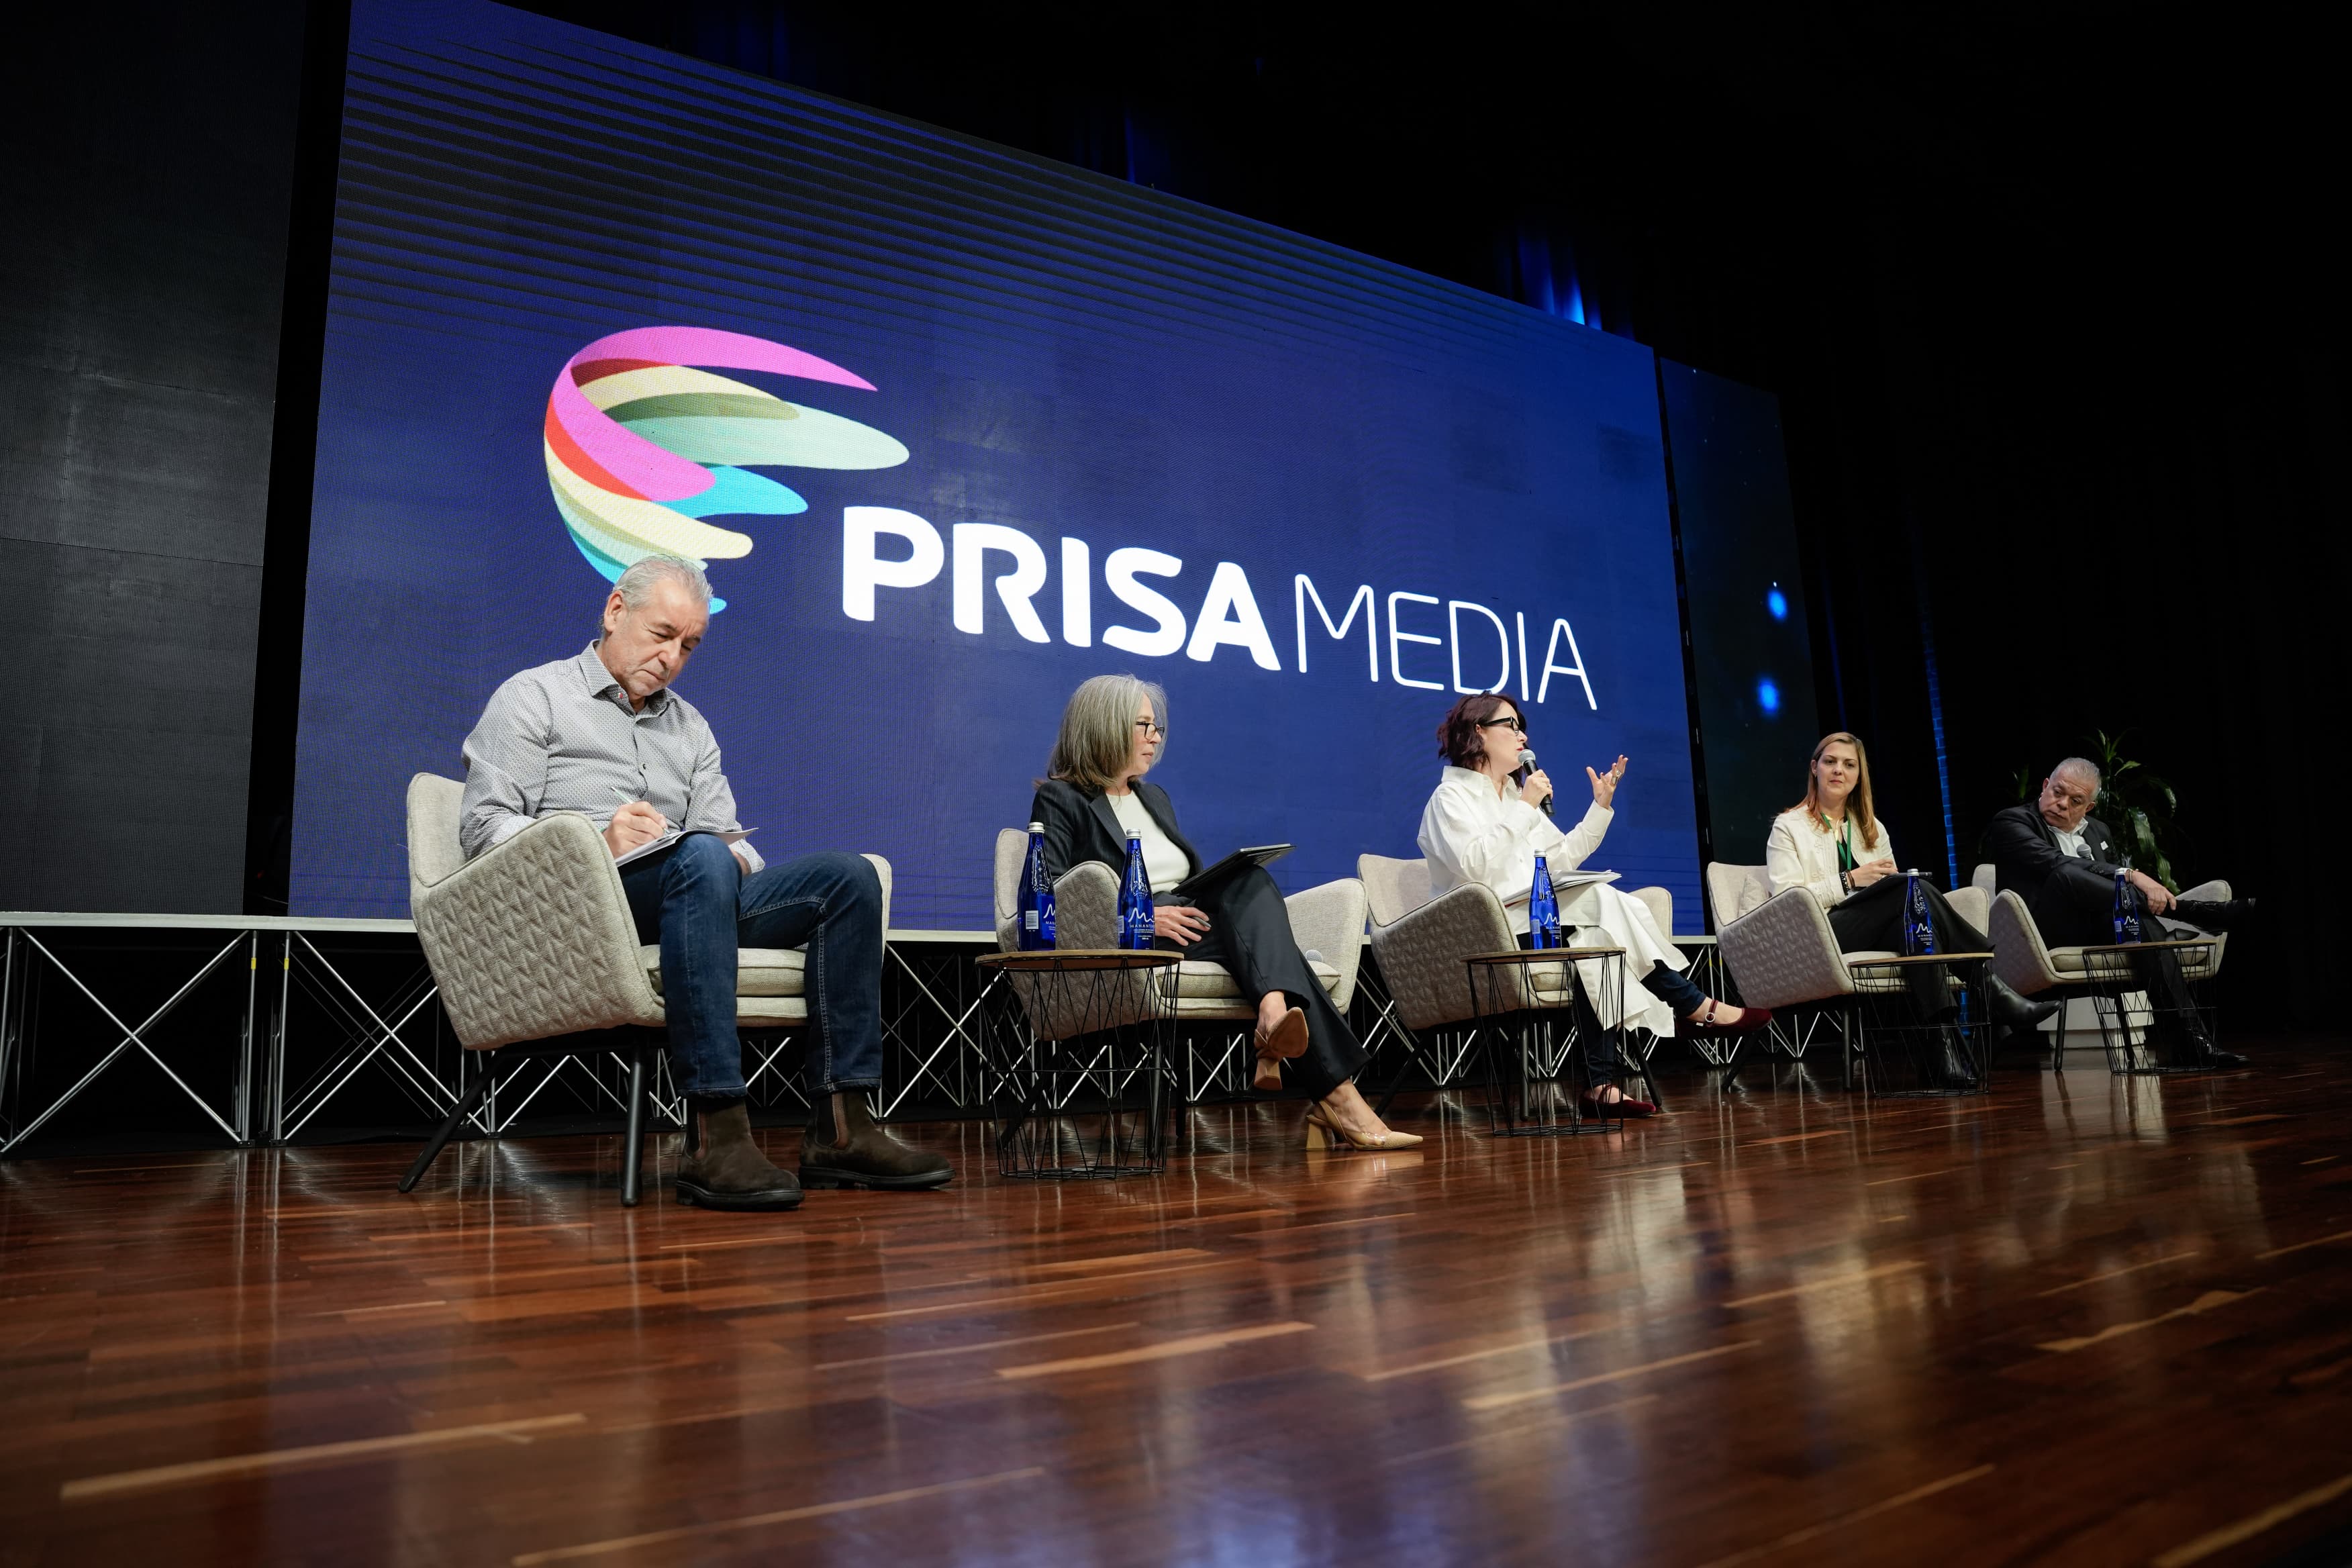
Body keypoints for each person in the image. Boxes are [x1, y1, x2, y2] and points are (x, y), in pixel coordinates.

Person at [459, 555, 950, 1211]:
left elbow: (726, 839)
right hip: (586, 902)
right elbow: (483, 825)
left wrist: (730, 856)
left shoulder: (690, 728)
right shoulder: (536, 696)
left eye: (688, 645)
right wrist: (595, 842)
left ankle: (843, 1127)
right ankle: (715, 1131)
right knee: (701, 859)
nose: (672, 657)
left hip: (696, 890)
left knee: (849, 878)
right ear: (615, 611)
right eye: (662, 634)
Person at [1028, 675, 1421, 1151]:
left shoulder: (1155, 798)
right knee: (1274, 944)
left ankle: (1275, 1013)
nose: (1156, 737)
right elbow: (1052, 898)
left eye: (1159, 728)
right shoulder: (1061, 799)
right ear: (1106, 726)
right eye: (1145, 725)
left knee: (1249, 877)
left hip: (1191, 920)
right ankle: (1337, 1096)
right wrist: (1144, 919)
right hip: (1138, 936)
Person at [1417, 692, 1768, 1119]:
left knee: (1594, 942)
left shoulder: (1514, 798)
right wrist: (1527, 807)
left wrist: (1599, 809)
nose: (1522, 734)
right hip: (1486, 930)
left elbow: (1559, 859)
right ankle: (1692, 1005)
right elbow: (1475, 869)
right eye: (1510, 725)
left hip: (1536, 918)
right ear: (1478, 731)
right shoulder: (1450, 799)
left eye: (1521, 724)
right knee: (1602, 900)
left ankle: (1600, 1084)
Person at [1766, 732, 2057, 1081]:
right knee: (1911, 891)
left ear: (1860, 776)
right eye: (1830, 762)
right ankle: (1989, 986)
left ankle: (1941, 1057)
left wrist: (1884, 884)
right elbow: (1787, 900)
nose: (1838, 771)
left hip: (1873, 928)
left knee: (1917, 928)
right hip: (1822, 933)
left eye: (1849, 765)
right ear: (1815, 768)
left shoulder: (1872, 829)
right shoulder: (1789, 826)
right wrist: (1850, 880)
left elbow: (1892, 887)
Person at [1983, 757, 2251, 1068]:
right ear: (2045, 786)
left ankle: (2190, 1041)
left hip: (2097, 925)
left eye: (2075, 801)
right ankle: (2189, 912)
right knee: (2064, 873)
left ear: (2089, 807)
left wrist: (2126, 886)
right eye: (2057, 792)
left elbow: (2108, 892)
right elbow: (2054, 864)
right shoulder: (2012, 822)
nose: (2061, 804)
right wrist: (2131, 874)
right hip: (2041, 933)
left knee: (2143, 924)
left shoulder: (2099, 832)